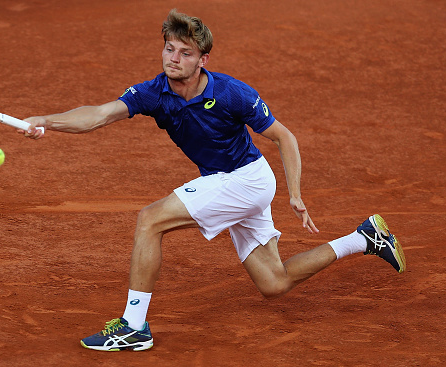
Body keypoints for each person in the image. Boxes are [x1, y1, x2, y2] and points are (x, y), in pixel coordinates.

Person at [20, 9, 406, 352]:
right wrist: (45, 120)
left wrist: (296, 195)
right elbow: (99, 114)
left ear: (203, 60)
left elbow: (284, 137)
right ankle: (364, 238)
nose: (174, 58)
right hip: (231, 183)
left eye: (185, 53)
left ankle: (133, 327)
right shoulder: (154, 93)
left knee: (150, 219)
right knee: (275, 284)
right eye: (170, 49)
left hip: (246, 180)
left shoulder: (232, 93)